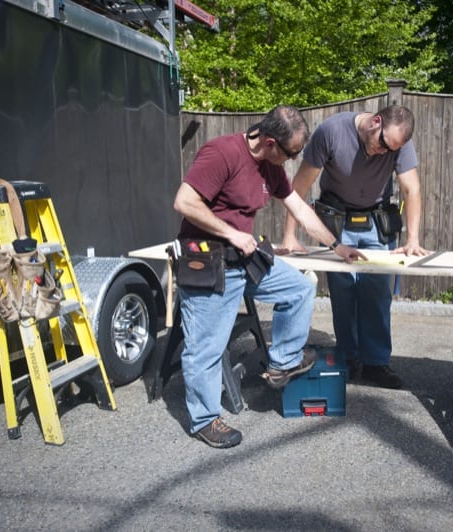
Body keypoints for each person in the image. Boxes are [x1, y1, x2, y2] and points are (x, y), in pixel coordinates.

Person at [173, 105, 365, 449]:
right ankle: (204, 419)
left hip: (244, 259)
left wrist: (337, 246)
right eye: (290, 154)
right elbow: (184, 202)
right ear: (270, 142)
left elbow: (300, 209)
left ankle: (283, 362)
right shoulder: (222, 153)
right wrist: (230, 233)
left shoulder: (270, 166)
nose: (292, 161)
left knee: (300, 287)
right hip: (210, 261)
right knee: (206, 347)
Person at [281, 105, 430, 389]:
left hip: (377, 222)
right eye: (384, 144)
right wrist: (290, 236)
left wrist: (413, 240)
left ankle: (375, 364)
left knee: (377, 295)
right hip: (337, 223)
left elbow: (412, 189)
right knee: (344, 293)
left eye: (393, 149)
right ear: (376, 122)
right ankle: (348, 359)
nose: (385, 152)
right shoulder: (332, 132)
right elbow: (297, 188)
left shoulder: (399, 142)